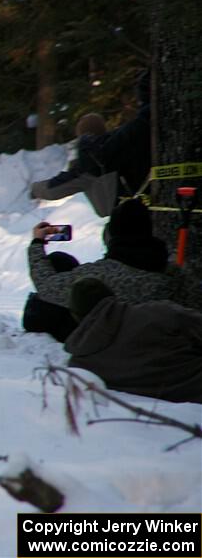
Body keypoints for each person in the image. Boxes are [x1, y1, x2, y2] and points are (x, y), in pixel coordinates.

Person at [24, 198, 175, 341]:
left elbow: (46, 286)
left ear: (112, 233)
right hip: (153, 339)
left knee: (57, 264)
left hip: (104, 345)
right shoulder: (170, 275)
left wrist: (37, 242)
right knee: (62, 262)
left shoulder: (102, 274)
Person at [30, 71, 151, 216]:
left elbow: (54, 189)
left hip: (123, 216)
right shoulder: (121, 143)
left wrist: (35, 189)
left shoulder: (88, 164)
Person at [64, 277, 202, 404]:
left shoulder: (79, 366)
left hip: (159, 421)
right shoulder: (159, 313)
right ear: (112, 297)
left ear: (75, 316)